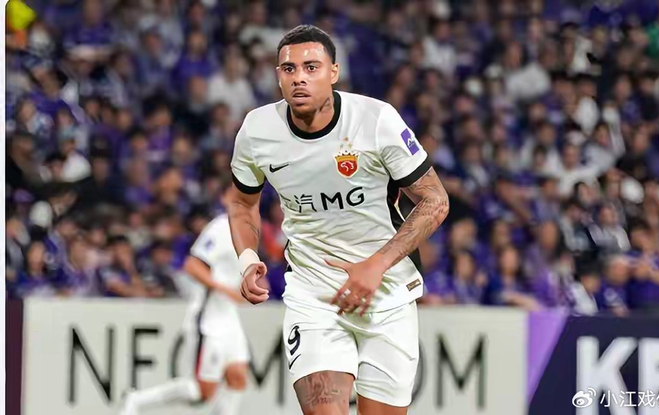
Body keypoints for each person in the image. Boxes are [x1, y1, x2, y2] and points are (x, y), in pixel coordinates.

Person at [228, 25, 449, 415]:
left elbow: (435, 200)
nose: (299, 77)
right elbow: (243, 203)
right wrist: (248, 259)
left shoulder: (376, 120)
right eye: (289, 69)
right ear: (278, 76)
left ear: (334, 72)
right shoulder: (258, 131)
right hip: (313, 295)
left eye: (311, 67)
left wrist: (376, 265)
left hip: (387, 296)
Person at [121, 187, 249, 415]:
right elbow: (193, 265)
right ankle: (138, 400)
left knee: (237, 377)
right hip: (208, 319)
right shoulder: (221, 228)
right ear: (224, 198)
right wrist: (226, 290)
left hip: (229, 316)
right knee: (201, 392)